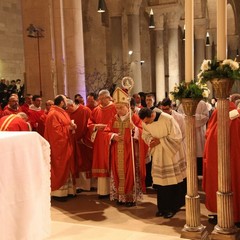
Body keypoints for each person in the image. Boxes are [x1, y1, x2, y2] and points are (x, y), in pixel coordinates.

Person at [139, 107, 186, 218]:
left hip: (171, 154)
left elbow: (177, 136)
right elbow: (145, 134)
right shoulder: (145, 122)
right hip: (158, 154)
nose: (146, 124)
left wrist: (160, 140)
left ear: (151, 115)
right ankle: (162, 207)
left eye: (147, 121)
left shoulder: (168, 119)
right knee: (160, 183)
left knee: (172, 181)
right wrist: (151, 140)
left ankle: (173, 207)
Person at [103, 87, 147, 206]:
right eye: (116, 108)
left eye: (120, 107)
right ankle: (120, 196)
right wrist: (113, 136)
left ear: (127, 106)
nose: (118, 110)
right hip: (117, 151)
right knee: (118, 173)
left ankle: (130, 198)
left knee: (129, 173)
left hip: (130, 151)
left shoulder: (134, 118)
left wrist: (136, 130)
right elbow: (106, 133)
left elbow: (144, 132)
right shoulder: (114, 119)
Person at [202, 102, 240, 225]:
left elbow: (208, 135)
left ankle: (224, 214)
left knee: (220, 186)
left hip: (218, 164)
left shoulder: (219, 122)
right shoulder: (236, 119)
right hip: (233, 162)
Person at [44, 95, 77, 202]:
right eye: (66, 101)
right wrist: (69, 128)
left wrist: (71, 127)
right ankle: (59, 193)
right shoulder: (53, 113)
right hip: (58, 146)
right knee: (60, 166)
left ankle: (68, 191)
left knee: (67, 165)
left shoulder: (61, 112)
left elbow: (65, 125)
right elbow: (56, 132)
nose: (67, 103)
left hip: (66, 144)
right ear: (62, 102)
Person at [87, 89, 117, 199]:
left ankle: (113, 190)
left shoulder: (115, 108)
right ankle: (103, 191)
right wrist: (95, 126)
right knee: (101, 162)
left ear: (108, 97)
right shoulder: (96, 110)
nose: (100, 101)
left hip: (111, 139)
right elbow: (90, 123)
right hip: (99, 140)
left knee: (111, 162)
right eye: (99, 99)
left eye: (102, 98)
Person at [66, 98, 94, 192]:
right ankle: (80, 185)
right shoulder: (68, 112)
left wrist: (84, 138)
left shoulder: (85, 110)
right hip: (74, 142)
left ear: (71, 105)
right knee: (78, 163)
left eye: (67, 108)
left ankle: (88, 185)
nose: (67, 110)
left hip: (84, 141)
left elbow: (90, 125)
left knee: (86, 163)